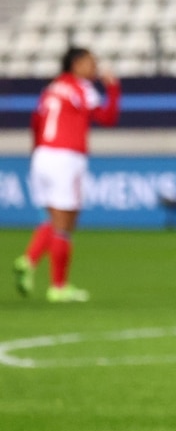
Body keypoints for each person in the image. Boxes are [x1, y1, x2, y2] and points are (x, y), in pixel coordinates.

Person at [14, 46, 119, 303]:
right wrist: (113, 89)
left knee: (52, 217)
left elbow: (36, 122)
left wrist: (37, 153)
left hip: (41, 155)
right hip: (66, 156)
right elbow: (107, 117)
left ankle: (30, 261)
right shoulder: (81, 87)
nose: (94, 68)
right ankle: (56, 285)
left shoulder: (52, 88)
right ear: (77, 64)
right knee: (66, 222)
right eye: (91, 63)